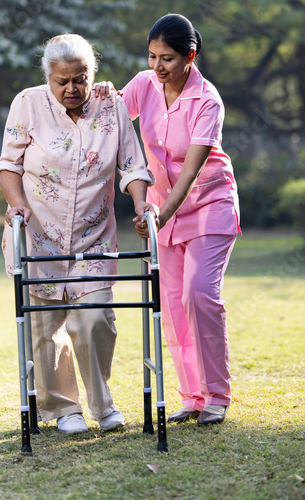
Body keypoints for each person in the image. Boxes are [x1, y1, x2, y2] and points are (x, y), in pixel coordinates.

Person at [0, 34, 156, 434]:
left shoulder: (112, 105)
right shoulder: (27, 104)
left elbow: (132, 165)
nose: (71, 89)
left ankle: (103, 405)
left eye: (80, 79)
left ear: (91, 74)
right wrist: (17, 205)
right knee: (46, 329)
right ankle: (64, 410)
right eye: (61, 81)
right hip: (38, 233)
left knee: (94, 318)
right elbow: (9, 164)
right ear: (48, 77)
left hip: (93, 236)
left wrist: (140, 204)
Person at [96, 13, 241, 426]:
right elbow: (111, 120)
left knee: (199, 295)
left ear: (190, 56)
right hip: (161, 210)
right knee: (173, 306)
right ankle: (192, 396)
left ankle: (217, 395)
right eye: (152, 56)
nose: (158, 67)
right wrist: (102, 93)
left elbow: (192, 172)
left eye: (168, 59)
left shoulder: (207, 100)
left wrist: (158, 213)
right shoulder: (145, 84)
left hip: (209, 205)